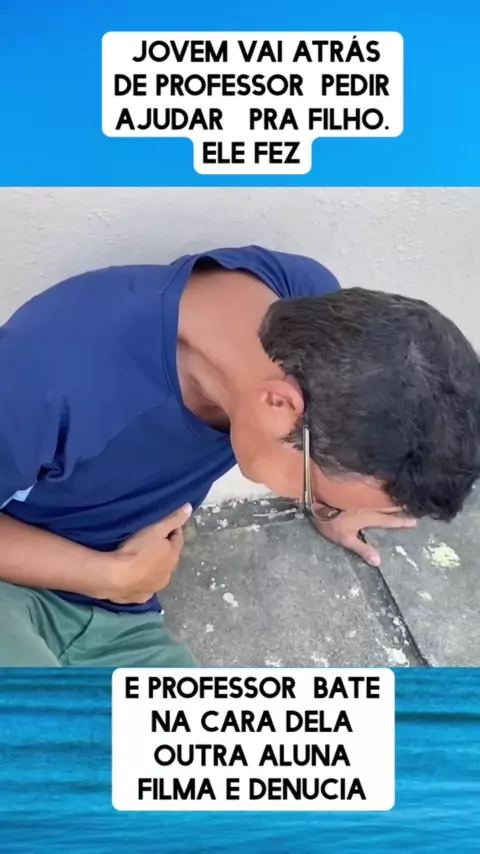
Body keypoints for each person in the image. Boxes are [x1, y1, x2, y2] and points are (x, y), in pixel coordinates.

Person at [0, 245, 479, 667]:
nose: (315, 503)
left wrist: (348, 494)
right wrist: (108, 576)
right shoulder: (46, 380)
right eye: (321, 496)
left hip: (122, 617)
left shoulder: (313, 317)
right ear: (278, 405)